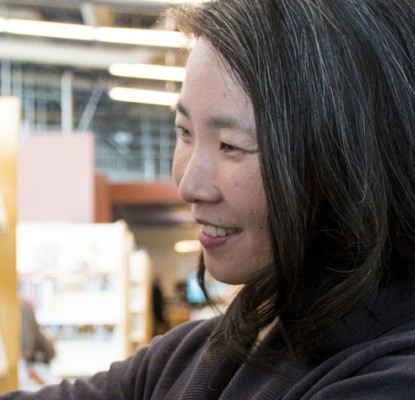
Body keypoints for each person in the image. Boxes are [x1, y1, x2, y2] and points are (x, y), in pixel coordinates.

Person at [2, 0, 415, 398]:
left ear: (350, 160)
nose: (188, 185)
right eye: (184, 132)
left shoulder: (387, 377)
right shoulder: (204, 352)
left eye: (231, 146)